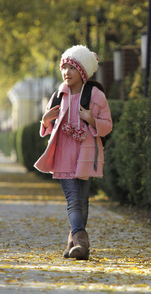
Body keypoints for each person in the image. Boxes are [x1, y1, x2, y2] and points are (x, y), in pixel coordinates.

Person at [34, 45, 112, 260]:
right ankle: (81, 240)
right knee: (73, 199)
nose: (66, 72)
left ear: (83, 71)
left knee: (82, 200)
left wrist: (91, 120)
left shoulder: (94, 95)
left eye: (72, 67)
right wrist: (45, 119)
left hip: (86, 155)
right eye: (64, 67)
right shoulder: (59, 95)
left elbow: (107, 125)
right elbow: (47, 128)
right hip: (63, 156)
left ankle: (73, 244)